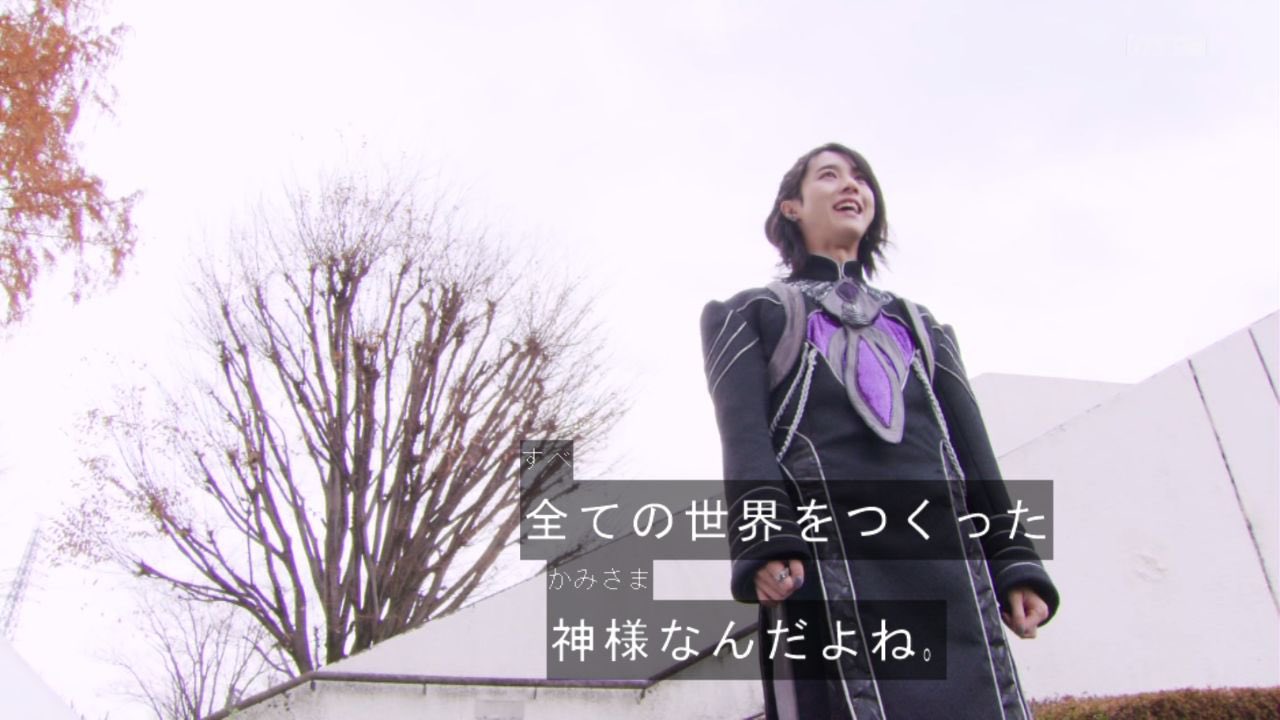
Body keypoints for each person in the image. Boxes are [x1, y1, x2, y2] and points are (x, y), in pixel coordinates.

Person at [699, 143, 1059, 719]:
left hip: (948, 567)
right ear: (791, 207)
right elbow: (743, 438)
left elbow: (971, 451)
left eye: (861, 178)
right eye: (830, 175)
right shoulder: (751, 313)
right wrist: (764, 540)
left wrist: (1013, 560)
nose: (852, 186)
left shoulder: (922, 325)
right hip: (822, 563)